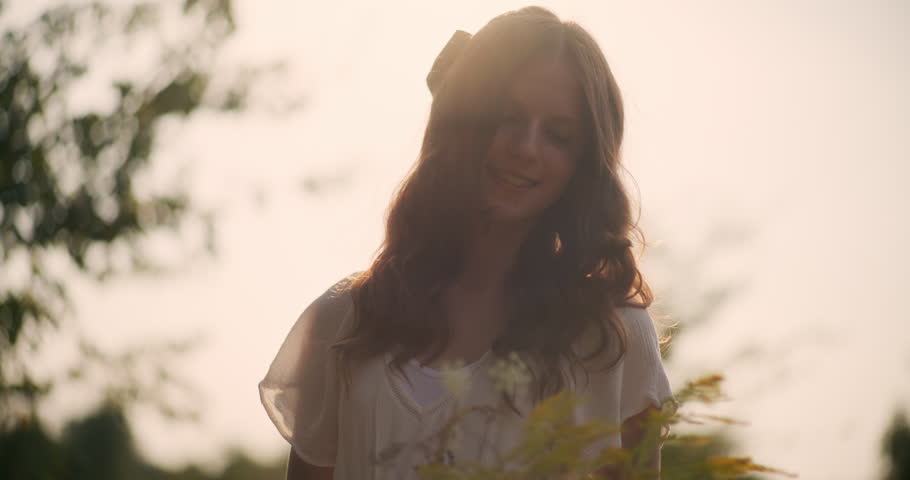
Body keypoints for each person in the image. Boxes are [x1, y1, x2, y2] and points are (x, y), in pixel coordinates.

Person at [259, 6, 675, 480]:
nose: (527, 147)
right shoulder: (346, 320)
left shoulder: (612, 339)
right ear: (462, 120)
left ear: (581, 163)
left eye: (559, 135)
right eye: (507, 117)